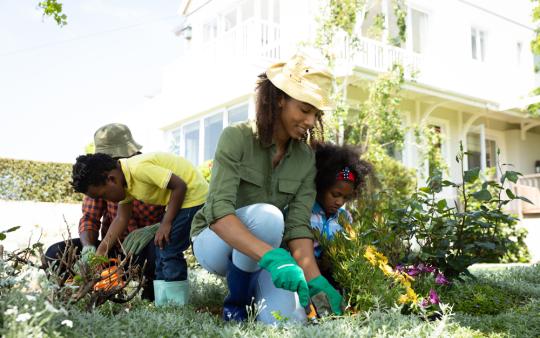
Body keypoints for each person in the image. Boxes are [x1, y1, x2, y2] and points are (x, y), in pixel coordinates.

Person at [190, 52, 343, 324]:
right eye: (305, 110)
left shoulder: (305, 159)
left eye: (315, 113)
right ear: (280, 98)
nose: (310, 121)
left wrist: (315, 278)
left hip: (263, 253)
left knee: (287, 321)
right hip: (214, 243)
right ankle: (235, 305)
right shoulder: (237, 137)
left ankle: (251, 295)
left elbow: (297, 226)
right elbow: (218, 213)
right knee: (269, 217)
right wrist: (273, 258)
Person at [70, 151, 208, 307]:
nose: (105, 200)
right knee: (160, 245)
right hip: (183, 200)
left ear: (111, 179)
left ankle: (176, 305)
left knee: (168, 246)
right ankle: (163, 303)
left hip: (194, 197)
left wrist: (166, 223)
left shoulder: (138, 169)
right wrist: (100, 252)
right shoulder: (125, 181)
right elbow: (121, 218)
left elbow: (180, 185)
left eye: (103, 196)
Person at [45, 123, 165, 301]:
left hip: (147, 254)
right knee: (55, 253)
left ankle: (153, 299)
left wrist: (155, 229)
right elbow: (90, 219)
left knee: (159, 250)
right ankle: (79, 296)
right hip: (113, 251)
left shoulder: (150, 171)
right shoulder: (99, 178)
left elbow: (178, 212)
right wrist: (89, 249)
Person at [310, 142, 372, 284]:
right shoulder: (305, 212)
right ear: (321, 186)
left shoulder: (344, 218)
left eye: (345, 197)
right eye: (335, 194)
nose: (339, 202)